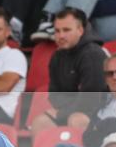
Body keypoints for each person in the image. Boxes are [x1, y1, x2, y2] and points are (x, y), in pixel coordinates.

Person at [29, 8, 108, 136]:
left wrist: (62, 113)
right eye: (57, 31)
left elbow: (91, 101)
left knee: (77, 119)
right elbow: (54, 95)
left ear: (80, 30)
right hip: (70, 111)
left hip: (100, 116)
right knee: (40, 122)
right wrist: (65, 111)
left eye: (66, 30)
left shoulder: (93, 54)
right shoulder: (57, 56)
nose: (60, 36)